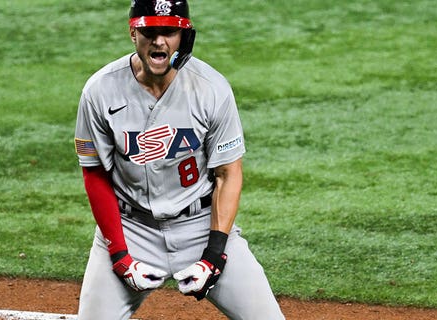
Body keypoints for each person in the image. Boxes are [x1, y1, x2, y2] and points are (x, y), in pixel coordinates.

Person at [74, 0, 286, 319]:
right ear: (133, 32)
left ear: (183, 37)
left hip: (200, 226)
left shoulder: (211, 88)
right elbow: (95, 174)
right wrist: (119, 254)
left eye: (169, 31)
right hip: (131, 227)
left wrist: (214, 256)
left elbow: (229, 174)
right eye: (150, 31)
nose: (159, 40)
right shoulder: (100, 91)